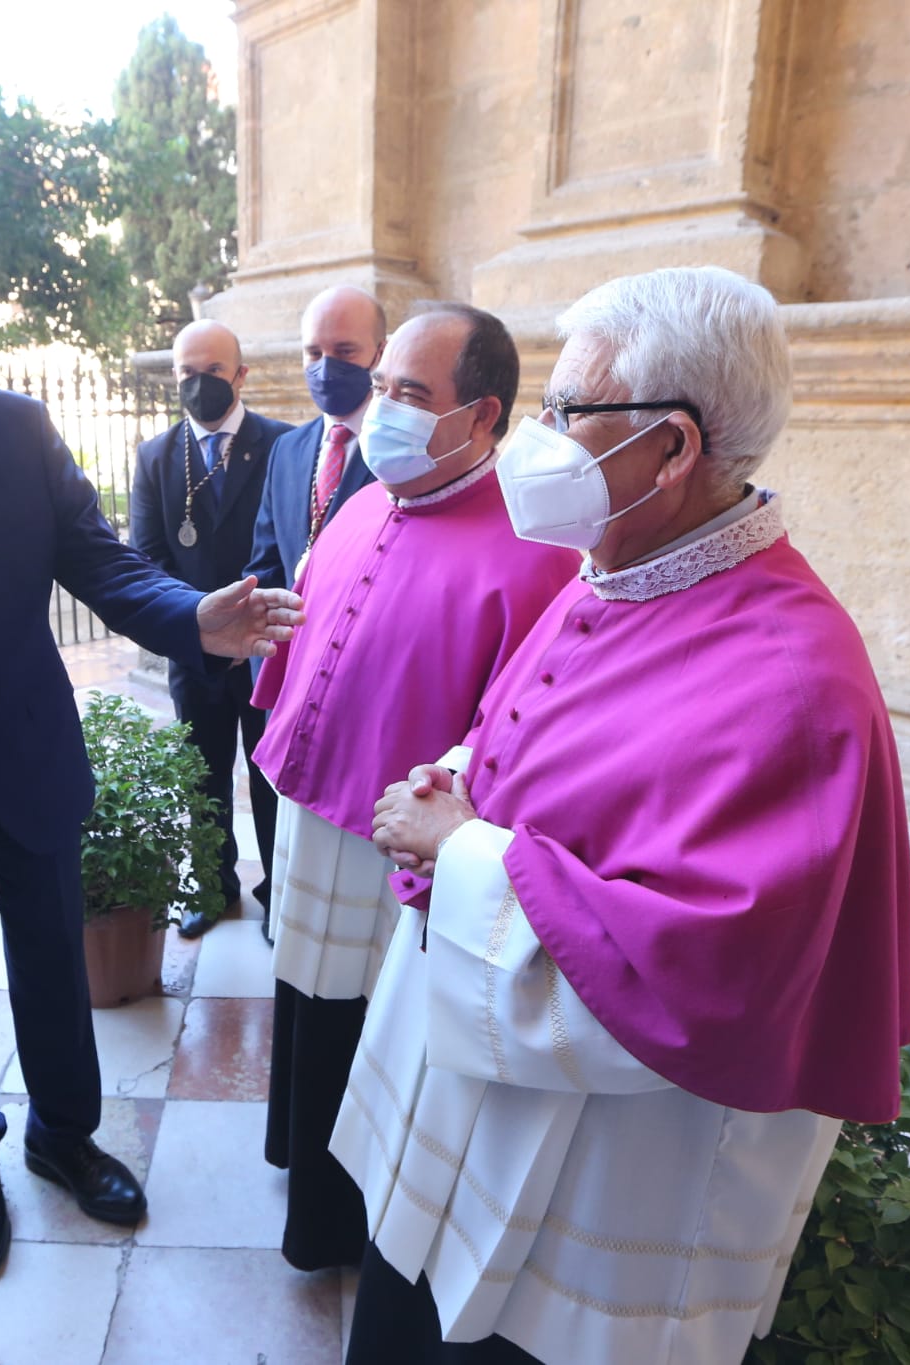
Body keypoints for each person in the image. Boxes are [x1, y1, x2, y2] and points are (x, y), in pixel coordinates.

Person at [345, 267, 910, 1364]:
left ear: (670, 448)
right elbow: (537, 730)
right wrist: (458, 777)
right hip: (483, 1111)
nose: (538, 439)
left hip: (606, 1181)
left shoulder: (792, 686)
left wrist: (460, 848)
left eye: (567, 415)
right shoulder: (623, 565)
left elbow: (693, 976)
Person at [0, 217, 302, 1279]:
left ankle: (62, 1136)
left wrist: (191, 616)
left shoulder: (11, 426)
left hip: (21, 751)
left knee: (49, 956)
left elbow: (99, 563)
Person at [248, 303, 579, 1274]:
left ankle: (337, 1223)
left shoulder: (536, 553)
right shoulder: (360, 500)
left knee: (364, 1015)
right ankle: (292, 1153)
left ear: (479, 417)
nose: (379, 406)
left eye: (407, 393)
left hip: (398, 836)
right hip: (313, 802)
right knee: (304, 988)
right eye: (380, 382)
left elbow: (515, 727)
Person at [131, 318, 294, 938]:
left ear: (241, 374)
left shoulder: (282, 445)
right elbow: (146, 558)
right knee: (201, 776)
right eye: (187, 374)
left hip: (268, 651)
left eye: (214, 372)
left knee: (270, 775)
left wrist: (251, 625)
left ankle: (279, 893)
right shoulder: (155, 456)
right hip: (194, 653)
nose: (200, 385)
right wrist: (202, 628)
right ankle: (213, 883)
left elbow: (289, 542)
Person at [243, 286, 387, 592]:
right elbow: (265, 563)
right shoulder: (286, 448)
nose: (325, 367)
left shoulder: (403, 445)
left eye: (345, 351)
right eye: (314, 353)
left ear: (380, 353)